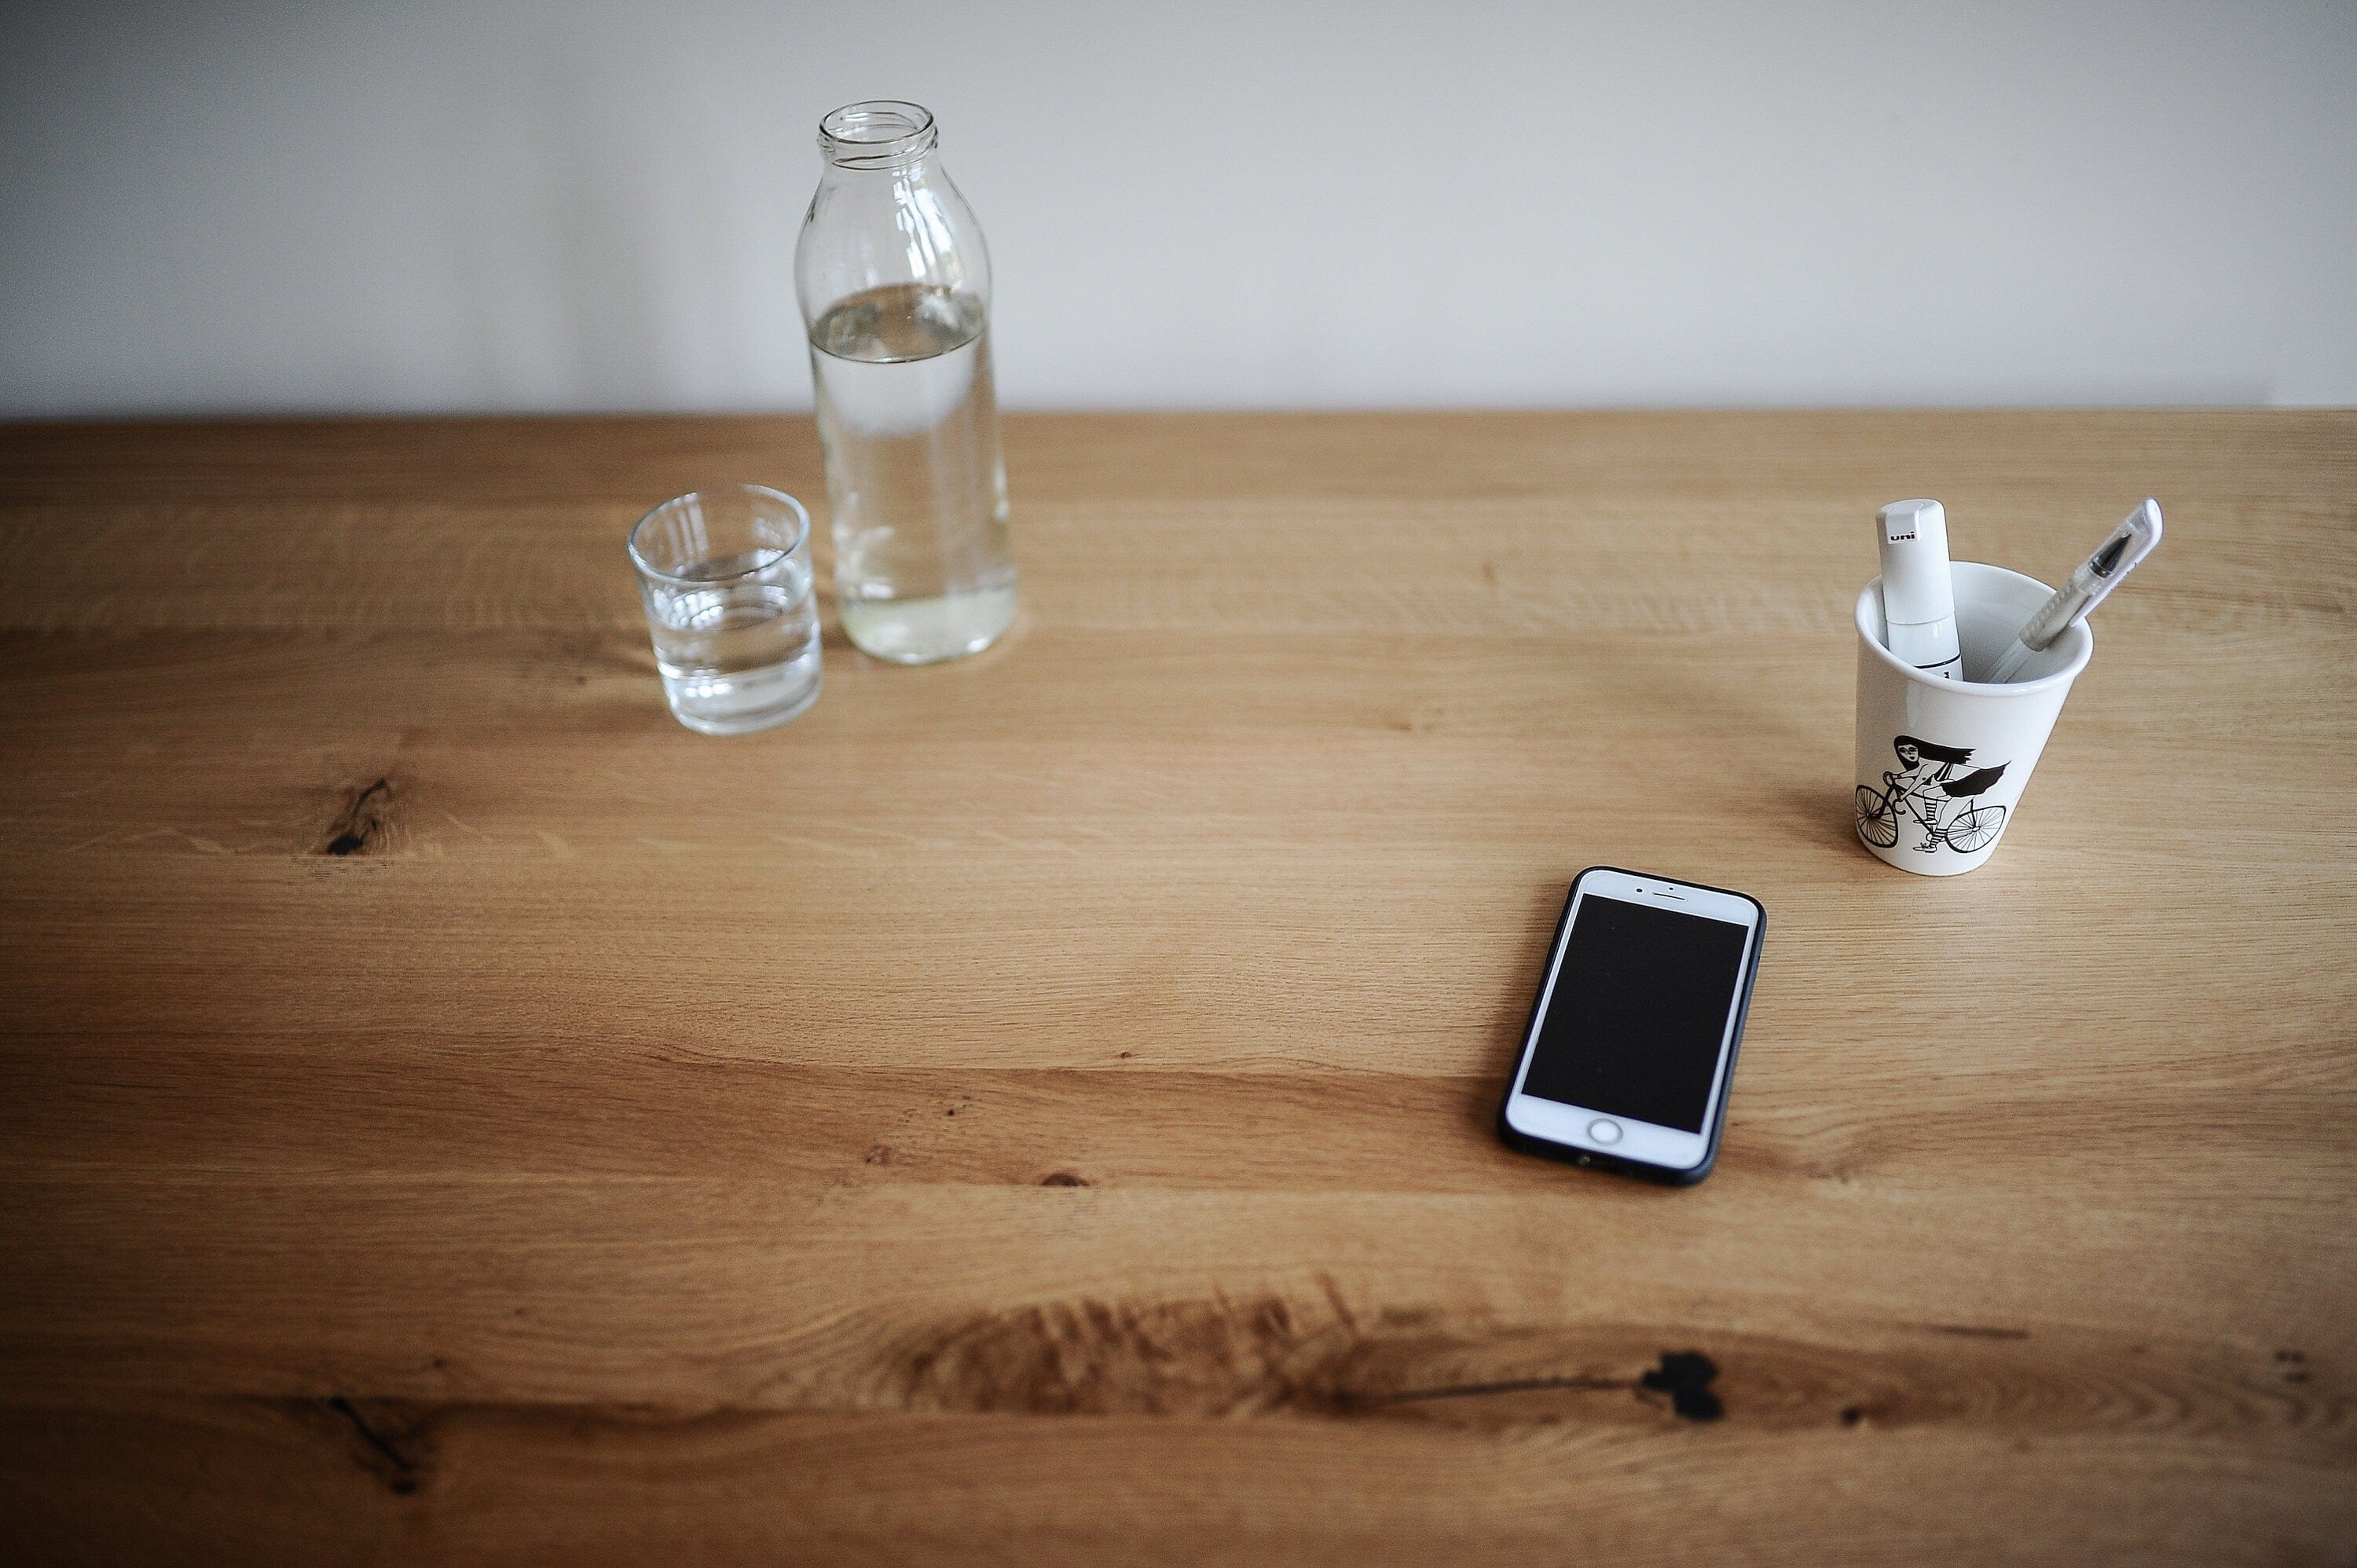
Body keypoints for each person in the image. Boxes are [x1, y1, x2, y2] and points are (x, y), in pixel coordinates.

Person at [1884, 735, 1976, 851]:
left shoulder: (1932, 763)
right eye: (1903, 751)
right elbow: (1918, 771)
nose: (1908, 754)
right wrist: (1898, 776)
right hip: (1953, 785)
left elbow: (1920, 779)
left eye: (1912, 750)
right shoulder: (1926, 761)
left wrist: (1904, 795)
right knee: (1929, 793)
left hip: (1969, 786)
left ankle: (1932, 846)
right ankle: (1931, 818)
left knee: (1946, 816)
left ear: (1919, 749)